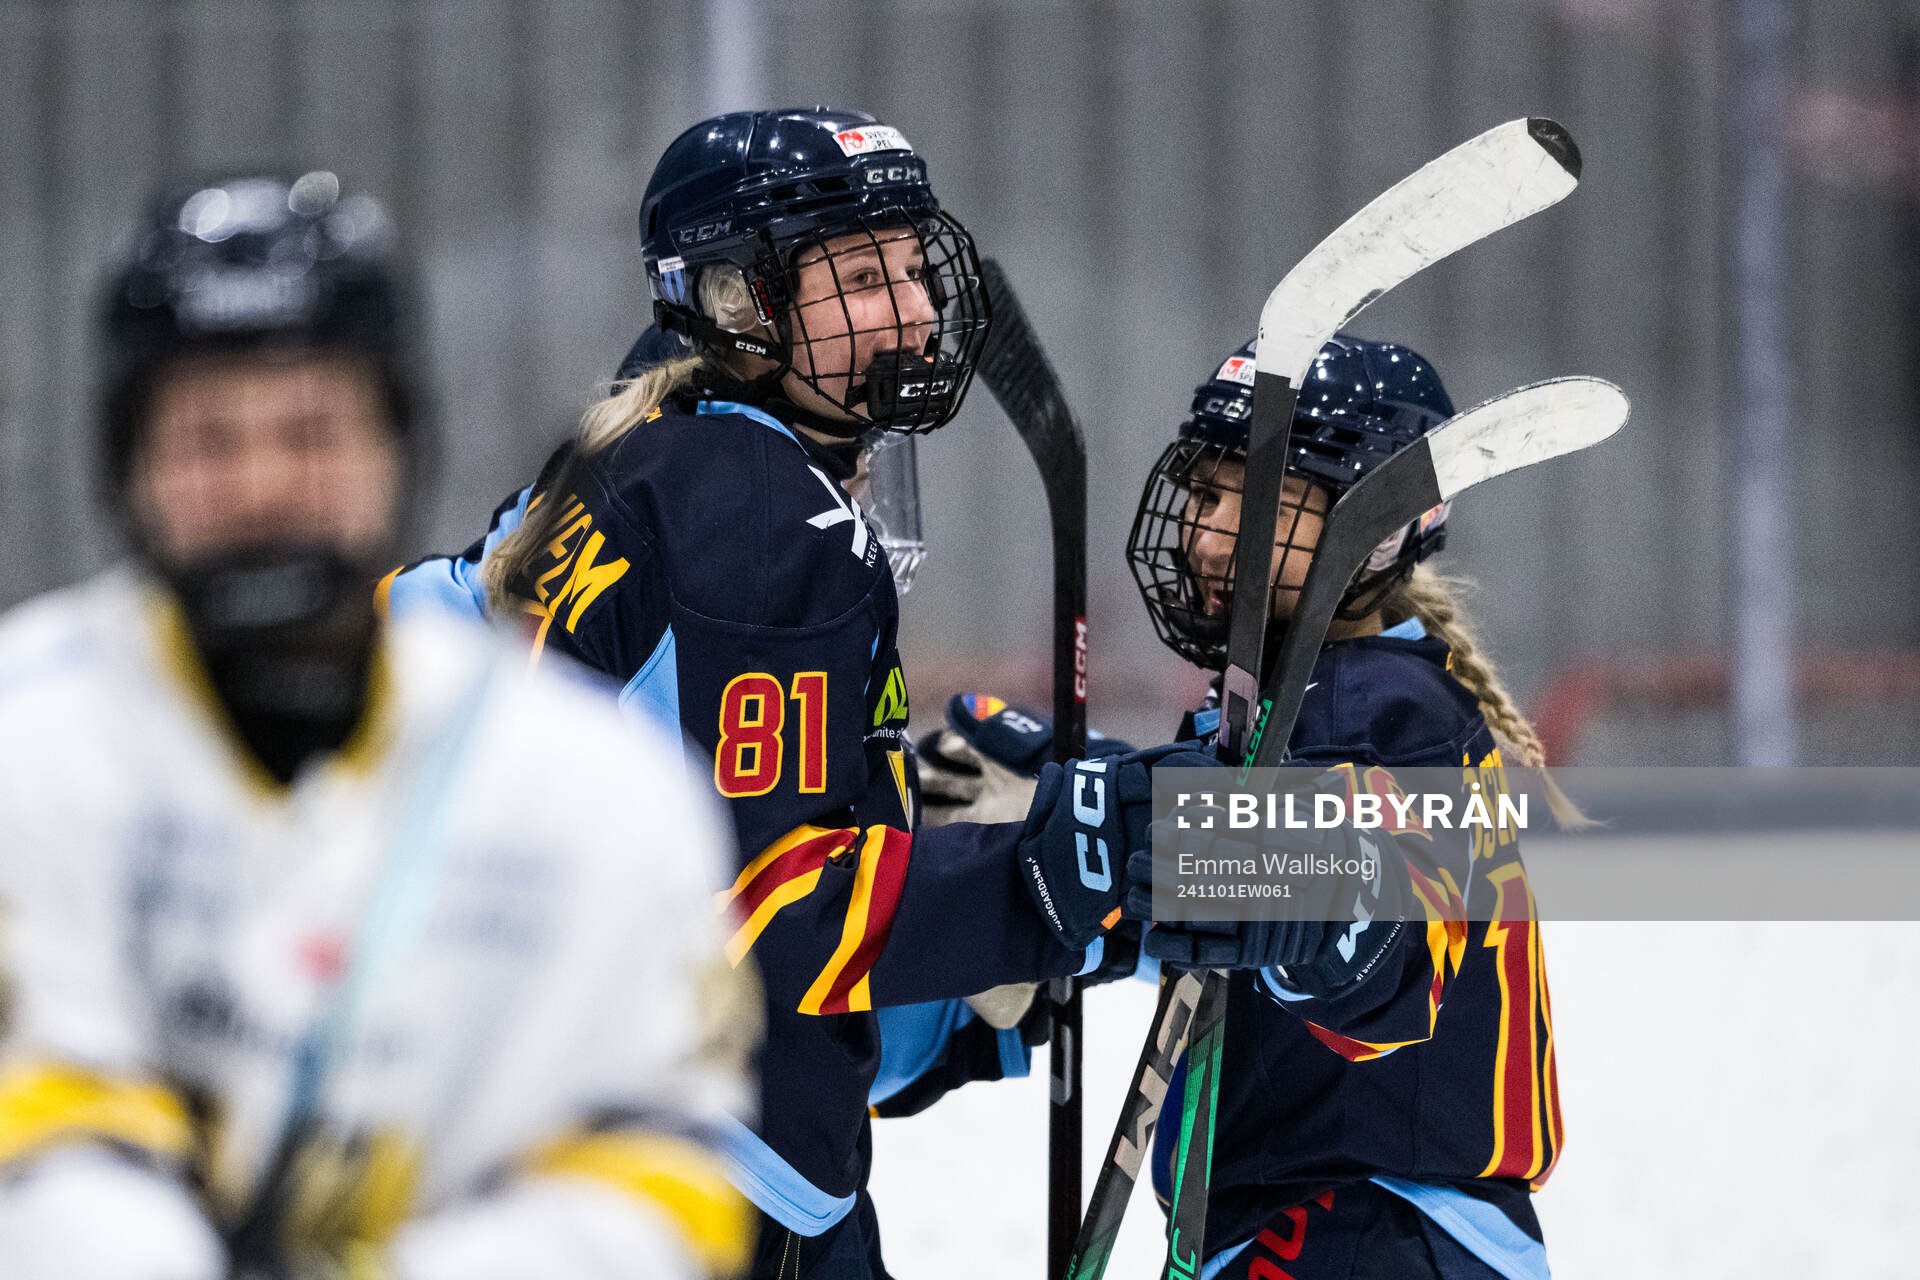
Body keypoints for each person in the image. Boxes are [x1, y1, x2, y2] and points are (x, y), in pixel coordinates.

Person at [383, 108, 1201, 1278]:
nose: (915, 311)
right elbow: (779, 909)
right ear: (739, 301)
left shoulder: (630, 455)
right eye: (862, 278)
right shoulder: (773, 516)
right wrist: (1046, 878)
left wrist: (963, 959)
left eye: (915, 270)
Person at [0, 173, 754, 1280]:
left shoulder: (594, 788)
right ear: (129, 465)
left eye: (311, 432)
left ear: (400, 441)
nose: (261, 484)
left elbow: (660, 1179)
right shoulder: (29, 736)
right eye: (208, 439)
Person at [922, 335, 1573, 1280]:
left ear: (1373, 528)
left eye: (1255, 500)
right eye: (1206, 495)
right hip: (1369, 1229)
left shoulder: (1376, 709)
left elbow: (1373, 917)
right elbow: (1238, 886)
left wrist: (1108, 836)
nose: (1207, 532)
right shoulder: (1335, 691)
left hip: (1366, 1228)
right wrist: (1072, 808)